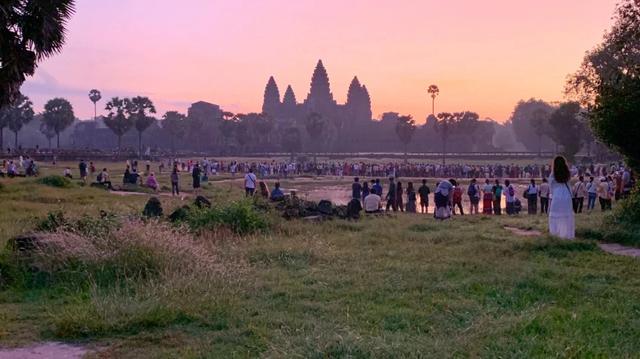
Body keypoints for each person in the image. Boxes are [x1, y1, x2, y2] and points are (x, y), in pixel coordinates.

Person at [548, 156, 575, 239]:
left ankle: (556, 236)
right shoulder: (567, 173)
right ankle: (567, 236)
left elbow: (551, 188)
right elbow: (570, 185)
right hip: (567, 196)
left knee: (556, 216)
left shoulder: (553, 175)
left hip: (557, 196)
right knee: (567, 217)